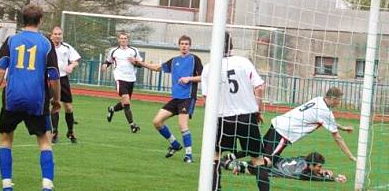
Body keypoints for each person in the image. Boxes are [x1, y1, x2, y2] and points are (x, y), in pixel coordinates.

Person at [0, 4, 61, 191]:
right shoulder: (46, 43)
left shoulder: (12, 40)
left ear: (23, 19)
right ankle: (47, 186)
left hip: (12, 97)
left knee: (6, 140)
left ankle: (6, 186)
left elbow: (0, 70)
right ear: (41, 20)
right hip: (37, 99)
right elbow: (53, 78)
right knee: (44, 141)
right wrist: (56, 100)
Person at [201, 32, 269, 191]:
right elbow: (259, 87)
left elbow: (207, 98)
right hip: (247, 116)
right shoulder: (243, 62)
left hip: (222, 119)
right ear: (231, 46)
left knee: (214, 157)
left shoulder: (209, 68)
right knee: (257, 160)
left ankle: (215, 188)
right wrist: (257, 109)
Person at [133, 35, 203, 163]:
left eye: (186, 44)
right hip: (175, 98)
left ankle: (189, 155)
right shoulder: (174, 60)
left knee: (182, 125)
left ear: (190, 46)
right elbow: (156, 68)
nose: (184, 46)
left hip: (187, 98)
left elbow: (204, 77)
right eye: (182, 43)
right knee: (157, 122)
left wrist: (189, 78)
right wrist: (139, 63)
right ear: (178, 45)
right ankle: (174, 144)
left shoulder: (195, 59)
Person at [262, 87, 356, 164]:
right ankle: (247, 168)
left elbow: (328, 121)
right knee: (269, 160)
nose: (339, 103)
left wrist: (343, 128)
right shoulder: (325, 112)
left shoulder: (318, 100)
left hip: (278, 123)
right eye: (339, 100)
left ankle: (248, 165)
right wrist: (350, 156)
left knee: (260, 151)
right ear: (333, 98)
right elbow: (337, 138)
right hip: (284, 132)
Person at [100, 32, 143, 133]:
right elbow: (108, 61)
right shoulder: (114, 51)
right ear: (118, 40)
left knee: (124, 103)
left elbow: (140, 64)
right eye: (121, 38)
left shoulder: (134, 51)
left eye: (125, 38)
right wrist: (105, 66)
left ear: (128, 40)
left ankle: (112, 109)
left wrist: (135, 62)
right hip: (120, 78)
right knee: (127, 101)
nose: (123, 40)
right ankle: (132, 125)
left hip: (131, 78)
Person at [222, 151, 347, 183]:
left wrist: (323, 172)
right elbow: (310, 177)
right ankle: (228, 163)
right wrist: (333, 179)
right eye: (319, 166)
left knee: (253, 158)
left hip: (274, 160)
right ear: (311, 164)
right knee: (242, 168)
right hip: (271, 169)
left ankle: (231, 158)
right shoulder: (303, 173)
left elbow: (314, 173)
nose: (320, 168)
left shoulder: (304, 158)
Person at [49, 26, 81, 144]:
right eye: (55, 34)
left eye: (59, 34)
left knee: (68, 107)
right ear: (51, 35)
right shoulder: (47, 47)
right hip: (51, 79)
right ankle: (55, 132)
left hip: (63, 79)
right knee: (54, 104)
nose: (58, 36)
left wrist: (71, 66)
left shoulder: (67, 47)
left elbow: (76, 61)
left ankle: (70, 131)